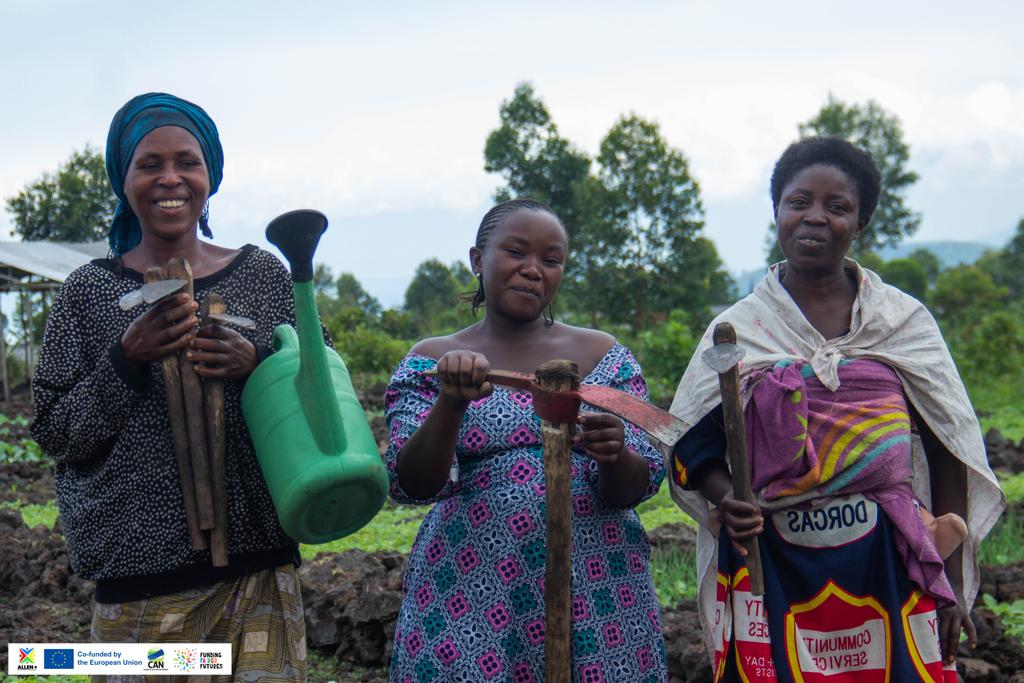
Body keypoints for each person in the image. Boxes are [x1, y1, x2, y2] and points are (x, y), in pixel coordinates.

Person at [667, 137, 1005, 683]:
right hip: (769, 559)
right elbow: (692, 440)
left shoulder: (901, 321)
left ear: (861, 220)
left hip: (888, 557)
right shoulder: (737, 330)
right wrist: (728, 499)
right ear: (776, 210)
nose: (815, 218)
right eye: (799, 202)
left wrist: (943, 570)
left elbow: (947, 444)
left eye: (837, 206)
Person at [31, 92, 308, 681]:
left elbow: (319, 390)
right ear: (123, 180)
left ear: (211, 175)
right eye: (148, 164)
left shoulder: (261, 275)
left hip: (256, 567)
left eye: (187, 161)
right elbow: (55, 431)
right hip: (140, 579)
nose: (169, 179)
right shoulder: (88, 292)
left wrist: (258, 362)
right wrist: (126, 359)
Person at [385, 198, 668, 682]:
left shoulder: (604, 356)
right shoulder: (432, 360)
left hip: (600, 590)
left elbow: (635, 488)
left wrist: (615, 453)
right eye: (516, 252)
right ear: (478, 260)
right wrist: (451, 403)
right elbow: (413, 482)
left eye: (550, 260)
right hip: (473, 590)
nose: (533, 270)